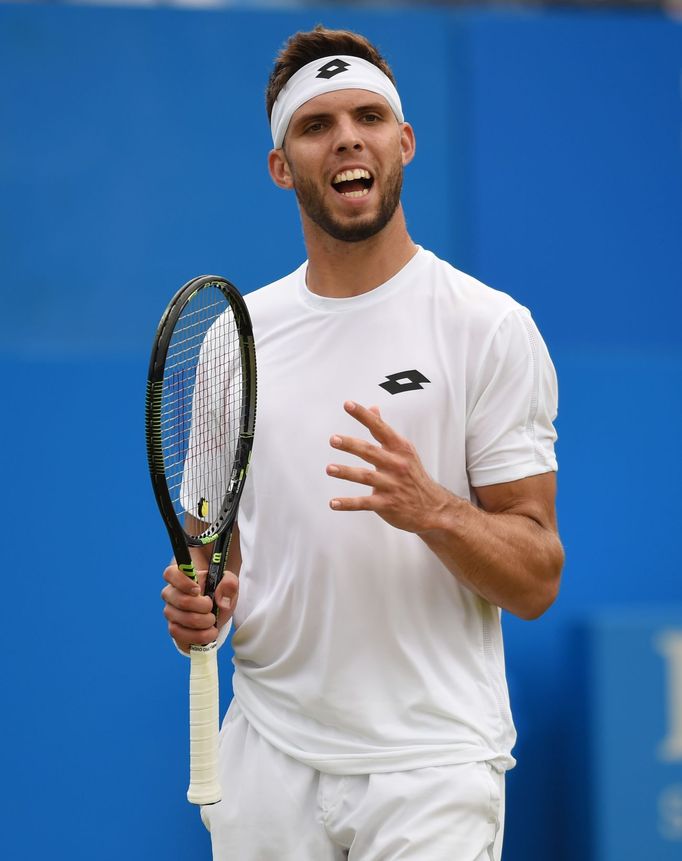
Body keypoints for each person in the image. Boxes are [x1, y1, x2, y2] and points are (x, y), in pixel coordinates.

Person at [161, 25, 564, 861]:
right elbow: (215, 557)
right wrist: (203, 601)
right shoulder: (231, 342)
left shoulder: (488, 328)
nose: (347, 136)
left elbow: (536, 577)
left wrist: (434, 511)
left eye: (369, 116)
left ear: (403, 142)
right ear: (283, 166)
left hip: (432, 765)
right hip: (269, 755)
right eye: (316, 125)